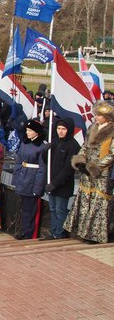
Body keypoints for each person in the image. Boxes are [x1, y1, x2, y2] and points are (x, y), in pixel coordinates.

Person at [65, 102, 114, 244]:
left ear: (108, 118)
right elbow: (85, 146)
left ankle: (96, 235)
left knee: (99, 203)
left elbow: (112, 154)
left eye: (100, 115)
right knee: (86, 200)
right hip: (87, 171)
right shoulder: (92, 128)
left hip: (102, 173)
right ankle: (83, 231)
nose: (96, 117)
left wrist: (96, 167)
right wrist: (80, 160)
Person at [12, 119, 48, 240]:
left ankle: (28, 232)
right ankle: (22, 229)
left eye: (30, 130)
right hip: (23, 176)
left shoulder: (42, 147)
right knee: (23, 208)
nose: (27, 132)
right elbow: (18, 161)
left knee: (30, 208)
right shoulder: (25, 143)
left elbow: (42, 169)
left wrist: (37, 187)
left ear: (37, 132)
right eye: (27, 130)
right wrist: (15, 178)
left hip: (32, 178)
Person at [43, 118, 78, 240]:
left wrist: (55, 183)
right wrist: (45, 151)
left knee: (60, 209)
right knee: (52, 208)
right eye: (58, 129)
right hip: (51, 181)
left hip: (63, 184)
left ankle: (60, 233)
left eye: (63, 129)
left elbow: (68, 169)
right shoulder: (55, 142)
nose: (60, 131)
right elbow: (47, 161)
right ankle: (54, 231)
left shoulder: (73, 145)